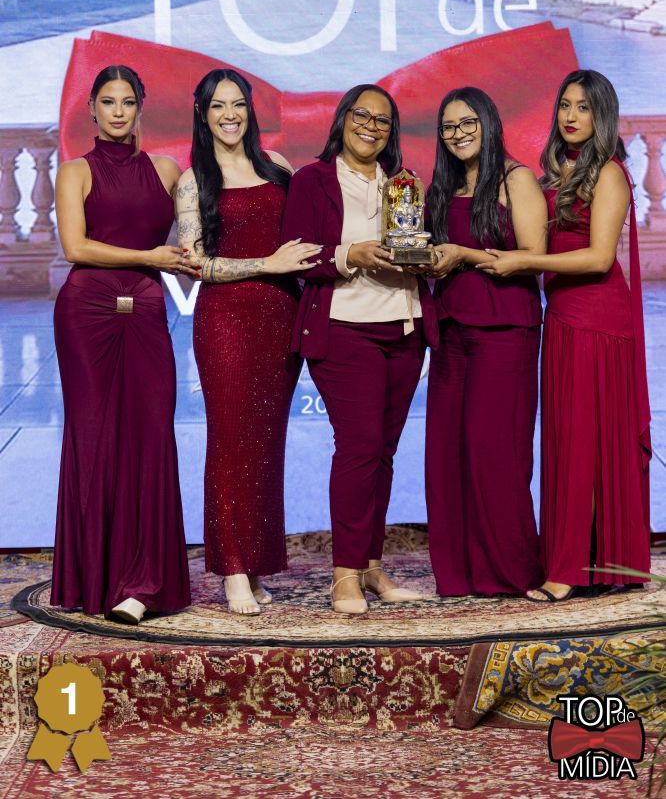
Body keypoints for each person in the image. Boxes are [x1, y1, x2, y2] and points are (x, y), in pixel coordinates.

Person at [478, 70, 651, 601]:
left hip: (598, 320)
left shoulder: (610, 173)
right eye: (565, 105)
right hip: (562, 317)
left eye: (584, 107)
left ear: (603, 116)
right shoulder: (558, 173)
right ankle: (585, 560)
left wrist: (524, 262)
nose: (571, 116)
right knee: (568, 441)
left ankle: (569, 570)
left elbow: (599, 258)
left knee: (585, 443)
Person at [281, 84, 438, 614]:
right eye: (362, 115)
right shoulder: (313, 180)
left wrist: (427, 258)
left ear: (391, 132)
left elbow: (413, 246)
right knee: (359, 447)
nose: (371, 126)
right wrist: (353, 254)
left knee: (383, 452)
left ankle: (370, 565)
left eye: (382, 120)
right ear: (342, 119)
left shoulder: (404, 184)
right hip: (345, 327)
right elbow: (297, 254)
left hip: (405, 329)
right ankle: (344, 574)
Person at [52, 64, 196, 623]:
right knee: (93, 438)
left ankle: (145, 582)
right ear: (92, 108)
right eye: (108, 101)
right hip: (86, 312)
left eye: (127, 101)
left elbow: (197, 230)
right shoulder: (74, 171)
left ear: (140, 108)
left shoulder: (166, 170)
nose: (118, 111)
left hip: (148, 308)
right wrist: (148, 257)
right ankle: (95, 579)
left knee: (151, 435)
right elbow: (76, 247)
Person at [176, 69, 320, 615]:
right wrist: (267, 264)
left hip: (281, 319)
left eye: (237, 104)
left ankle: (255, 564)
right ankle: (232, 569)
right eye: (218, 105)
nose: (229, 114)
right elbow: (195, 264)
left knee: (264, 446)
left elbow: (306, 241)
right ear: (202, 114)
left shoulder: (277, 167)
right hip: (226, 322)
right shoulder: (194, 181)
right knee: (230, 442)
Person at [423, 87, 546, 596]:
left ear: (489, 122)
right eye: (449, 126)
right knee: (446, 454)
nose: (458, 134)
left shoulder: (517, 179)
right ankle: (460, 574)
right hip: (451, 330)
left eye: (468, 122)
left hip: (505, 330)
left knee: (495, 452)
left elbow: (532, 255)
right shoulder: (441, 188)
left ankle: (511, 572)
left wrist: (463, 254)